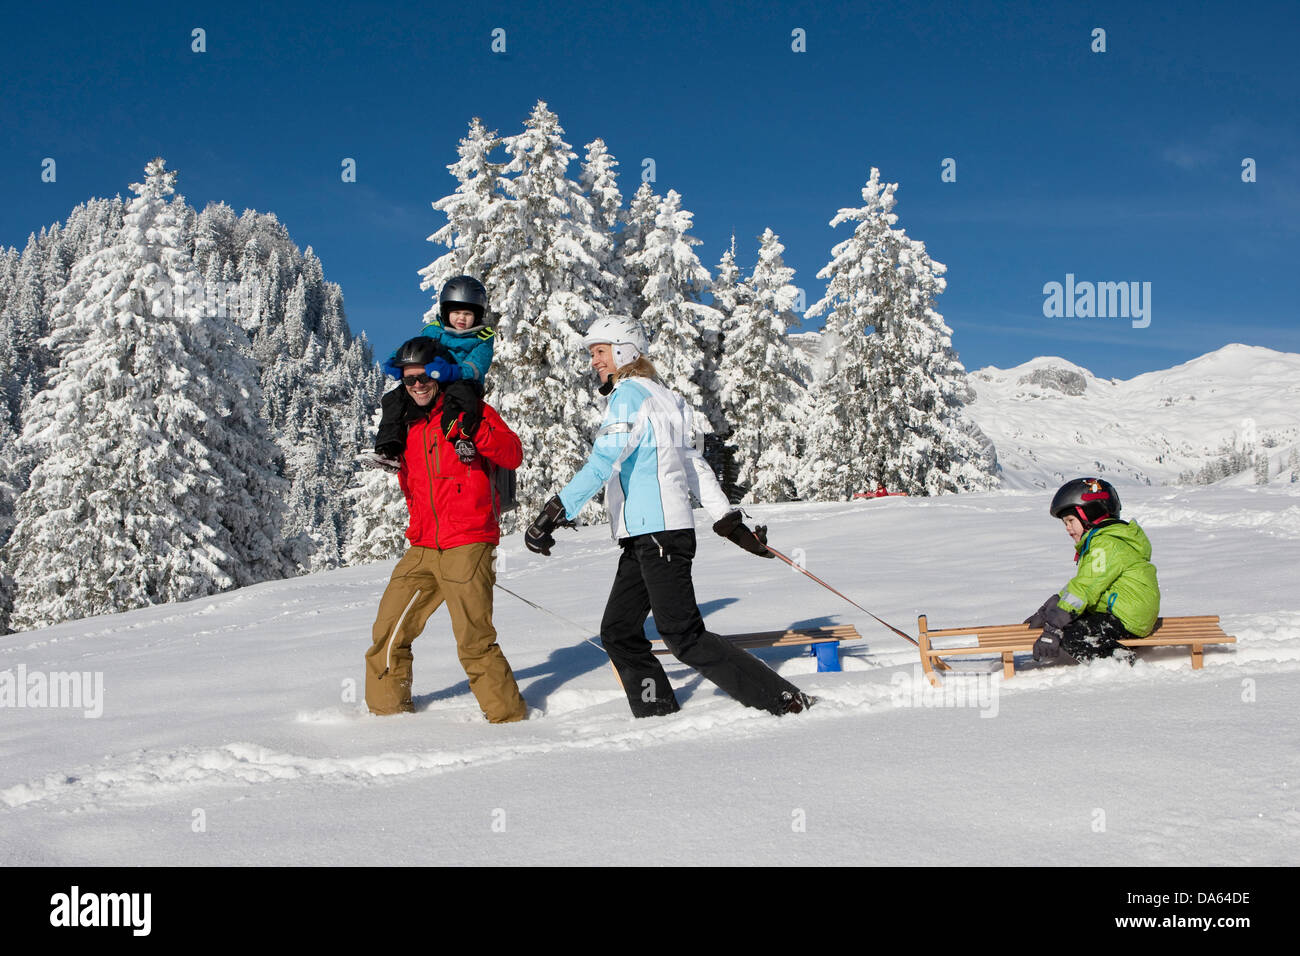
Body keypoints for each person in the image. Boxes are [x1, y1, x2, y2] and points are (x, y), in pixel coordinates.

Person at [522, 316, 815, 718]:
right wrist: (729, 521)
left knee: (683, 635)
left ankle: (783, 700)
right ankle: (656, 711)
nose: (594, 361)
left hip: (657, 534)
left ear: (625, 351)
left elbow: (603, 461)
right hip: (649, 537)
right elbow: (694, 464)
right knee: (619, 631)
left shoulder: (628, 397)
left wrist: (553, 513)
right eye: (592, 353)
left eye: (600, 352)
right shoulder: (669, 399)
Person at [363, 335, 528, 722]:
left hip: (468, 542)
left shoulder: (470, 411)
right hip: (422, 546)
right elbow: (414, 484)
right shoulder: (408, 426)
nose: (417, 385)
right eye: (409, 380)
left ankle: (510, 721)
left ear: (439, 374)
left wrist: (474, 431)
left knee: (473, 640)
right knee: (388, 633)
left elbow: (512, 454)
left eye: (424, 376)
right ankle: (387, 720)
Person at [365, 276, 496, 472]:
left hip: (464, 381)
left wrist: (454, 371)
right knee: (395, 398)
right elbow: (413, 348)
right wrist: (396, 361)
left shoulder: (482, 338)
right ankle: (389, 449)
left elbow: (477, 366)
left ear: (477, 314)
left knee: (459, 396)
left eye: (467, 313)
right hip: (432, 380)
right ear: (446, 312)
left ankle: (462, 438)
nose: (461, 318)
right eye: (456, 312)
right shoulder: (434, 331)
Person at [1025, 477, 1160, 665]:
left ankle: (1119, 664)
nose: (1068, 528)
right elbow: (1086, 583)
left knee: (1071, 636)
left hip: (1127, 617)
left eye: (1071, 520)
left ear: (1091, 514)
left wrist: (1055, 626)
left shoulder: (1105, 545)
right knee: (1072, 622)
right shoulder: (1108, 540)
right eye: (1065, 523)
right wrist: (1052, 609)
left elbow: (1085, 588)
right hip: (1127, 611)